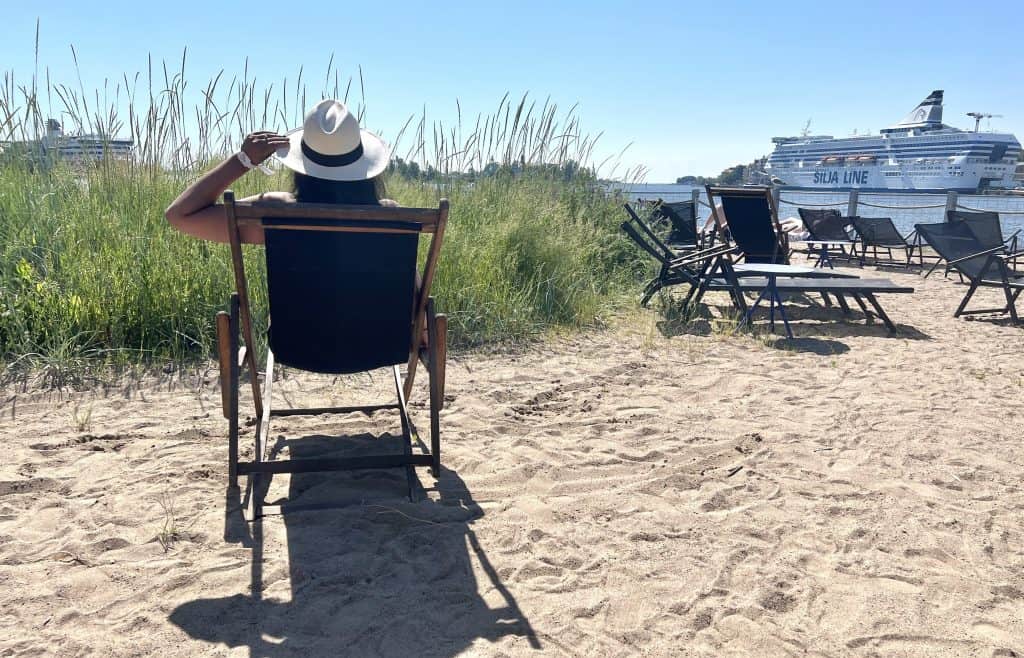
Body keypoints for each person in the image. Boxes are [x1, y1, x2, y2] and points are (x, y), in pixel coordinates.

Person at [165, 98, 395, 242]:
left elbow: (179, 215)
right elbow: (417, 307)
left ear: (302, 165)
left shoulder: (277, 213)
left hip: (292, 323)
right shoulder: (389, 218)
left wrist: (242, 160)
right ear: (363, 169)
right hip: (382, 323)